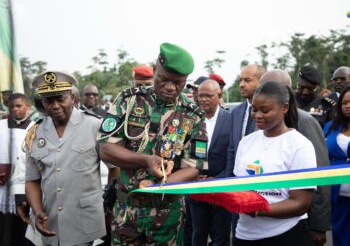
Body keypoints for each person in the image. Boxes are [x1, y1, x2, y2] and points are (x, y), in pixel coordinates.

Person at [98, 43, 208, 245]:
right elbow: (105, 148)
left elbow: (194, 167)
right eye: (163, 79)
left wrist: (160, 185)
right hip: (126, 211)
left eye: (178, 82)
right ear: (155, 69)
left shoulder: (193, 114)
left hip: (168, 214)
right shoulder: (129, 101)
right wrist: (146, 160)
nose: (170, 87)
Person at [25, 71, 106, 246]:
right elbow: (32, 180)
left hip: (86, 221)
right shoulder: (35, 132)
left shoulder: (95, 125)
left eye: (60, 99)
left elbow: (115, 169)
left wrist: (109, 206)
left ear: (73, 98)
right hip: (50, 221)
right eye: (48, 101)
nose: (55, 105)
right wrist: (37, 211)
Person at [233, 81, 317, 246]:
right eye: (254, 109)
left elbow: (300, 204)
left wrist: (257, 210)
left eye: (265, 110)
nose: (257, 115)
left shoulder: (300, 145)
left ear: (284, 108)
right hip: (244, 235)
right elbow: (238, 186)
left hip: (285, 235)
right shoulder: (246, 142)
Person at [260, 69, 331, 246]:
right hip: (264, 222)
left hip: (298, 221)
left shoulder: (304, 121)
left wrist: (318, 226)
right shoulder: (262, 123)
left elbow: (320, 175)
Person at [225, 64, 266, 242]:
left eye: (247, 80)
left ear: (261, 82)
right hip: (237, 190)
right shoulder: (236, 112)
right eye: (241, 80)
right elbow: (232, 151)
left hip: (263, 190)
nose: (242, 84)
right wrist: (228, 185)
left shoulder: (270, 113)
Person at [189, 80, 231, 246]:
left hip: (220, 186)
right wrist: (193, 176)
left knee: (220, 236)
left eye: (208, 96)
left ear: (219, 96)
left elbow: (234, 155)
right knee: (198, 234)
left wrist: (218, 179)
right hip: (195, 185)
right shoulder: (190, 119)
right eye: (200, 96)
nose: (203, 100)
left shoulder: (230, 119)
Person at [0, 93, 34, 246]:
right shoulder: (0, 125)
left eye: (19, 106)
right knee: (3, 232)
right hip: (2, 187)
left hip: (25, 188)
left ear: (27, 106)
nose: (15, 109)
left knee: (22, 232)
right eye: (12, 106)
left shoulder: (35, 128)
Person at [323, 87, 350, 246]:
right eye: (344, 102)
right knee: (339, 236)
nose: (347, 106)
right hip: (337, 195)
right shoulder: (330, 127)